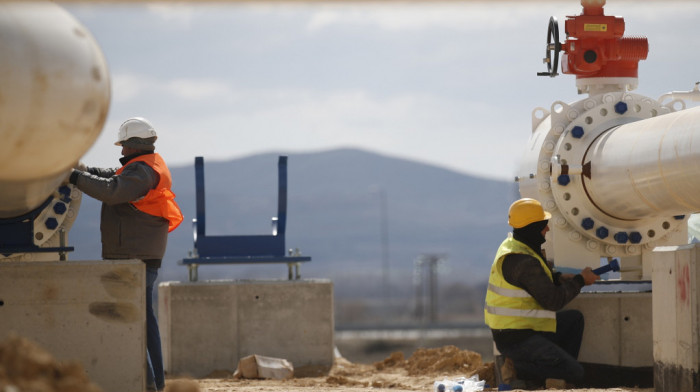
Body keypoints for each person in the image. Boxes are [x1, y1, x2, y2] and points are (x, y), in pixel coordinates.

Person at [68, 117, 183, 392]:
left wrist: (73, 177)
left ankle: (147, 383)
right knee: (143, 321)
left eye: (123, 146)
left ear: (132, 145)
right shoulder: (144, 167)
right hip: (140, 255)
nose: (120, 152)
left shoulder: (142, 173)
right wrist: (84, 170)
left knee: (133, 323)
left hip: (135, 258)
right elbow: (111, 176)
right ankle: (153, 383)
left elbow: (112, 190)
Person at [484, 198, 599, 389]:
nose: (547, 230)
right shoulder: (523, 260)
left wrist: (560, 277)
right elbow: (553, 300)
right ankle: (518, 370)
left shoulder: (516, 246)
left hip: (518, 329)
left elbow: (533, 280)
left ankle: (553, 375)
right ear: (532, 227)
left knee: (574, 319)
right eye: (544, 226)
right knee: (576, 372)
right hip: (517, 339)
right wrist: (580, 281)